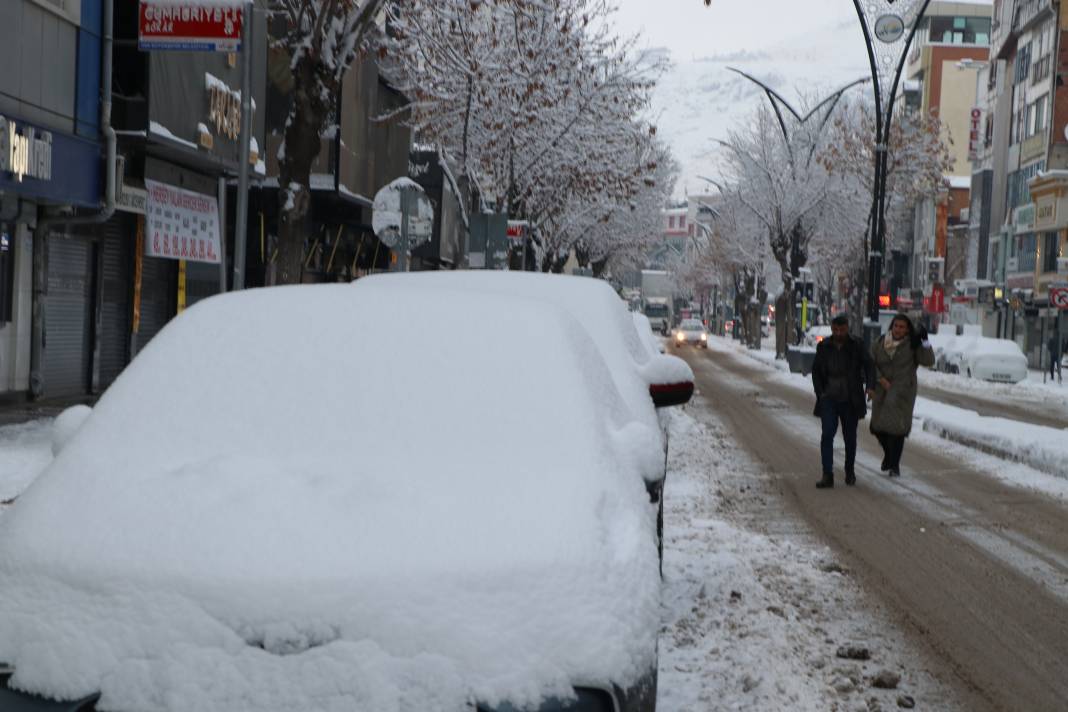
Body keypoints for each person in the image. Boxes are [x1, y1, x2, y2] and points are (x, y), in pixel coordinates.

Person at [811, 314, 874, 488]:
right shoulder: (824, 347)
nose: (839, 333)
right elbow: (816, 371)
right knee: (827, 435)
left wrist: (870, 386)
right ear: (832, 329)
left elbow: (869, 365)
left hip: (850, 398)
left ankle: (850, 471)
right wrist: (820, 393)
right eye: (836, 330)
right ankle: (827, 474)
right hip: (829, 397)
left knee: (850, 438)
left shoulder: (857, 346)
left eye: (842, 329)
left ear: (847, 328)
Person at [869, 313, 935, 477]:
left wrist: (924, 342)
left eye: (902, 327)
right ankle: (889, 457)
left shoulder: (912, 345)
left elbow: (928, 361)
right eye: (896, 326)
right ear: (892, 326)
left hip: (903, 392)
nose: (898, 330)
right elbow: (870, 363)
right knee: (877, 428)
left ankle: (894, 464)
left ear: (907, 330)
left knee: (898, 431)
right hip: (882, 390)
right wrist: (880, 379)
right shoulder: (880, 342)